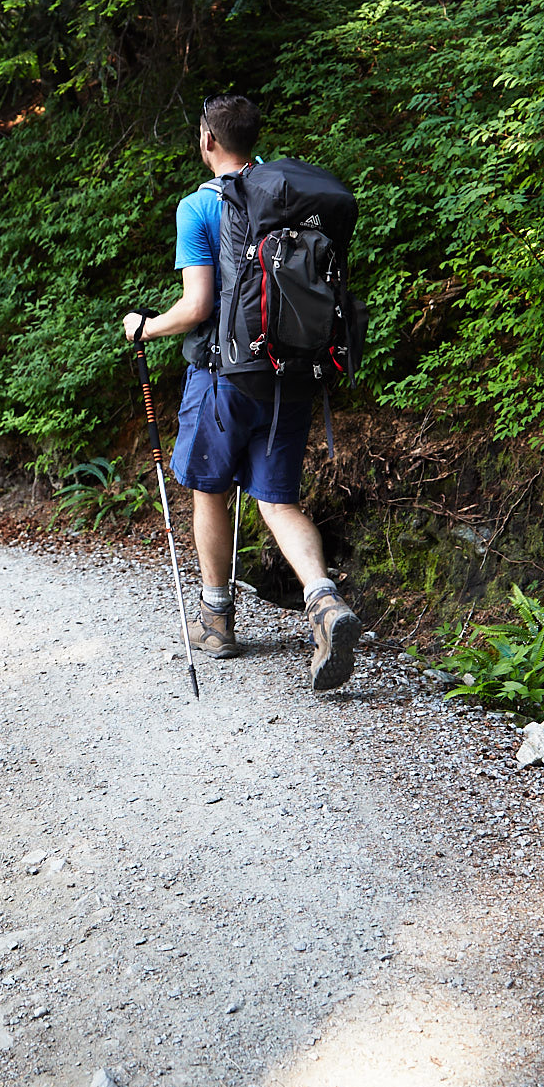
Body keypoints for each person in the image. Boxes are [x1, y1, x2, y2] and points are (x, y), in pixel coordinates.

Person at [120, 95, 363, 689]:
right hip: (292, 374)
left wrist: (144, 327)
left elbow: (198, 306)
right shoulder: (288, 197)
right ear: (252, 139)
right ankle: (325, 603)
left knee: (210, 489)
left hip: (223, 376)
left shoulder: (198, 207)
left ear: (208, 141)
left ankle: (217, 618)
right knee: (277, 501)